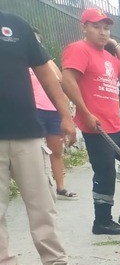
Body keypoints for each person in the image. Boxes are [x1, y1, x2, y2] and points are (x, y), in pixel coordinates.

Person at [0, 10, 84, 265]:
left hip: (26, 132)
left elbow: (46, 74)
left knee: (42, 204)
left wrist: (65, 115)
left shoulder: (15, 24)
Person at [60, 8, 120, 235]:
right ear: (83, 27)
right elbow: (67, 80)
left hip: (117, 123)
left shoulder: (108, 56)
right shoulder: (78, 49)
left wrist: (114, 47)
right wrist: (85, 113)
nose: (102, 32)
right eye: (96, 27)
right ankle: (102, 221)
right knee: (105, 173)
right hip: (96, 126)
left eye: (106, 28)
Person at [28, 29, 76, 200]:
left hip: (54, 111)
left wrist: (68, 114)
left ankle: (60, 188)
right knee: (35, 153)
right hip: (34, 111)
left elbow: (62, 83)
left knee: (56, 151)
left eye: (38, 42)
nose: (36, 45)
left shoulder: (48, 62)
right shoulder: (21, 63)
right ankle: (38, 189)